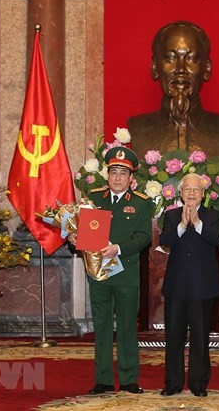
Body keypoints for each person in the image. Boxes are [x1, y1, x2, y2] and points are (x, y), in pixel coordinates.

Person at [78, 146, 153, 395]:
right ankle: (103, 380)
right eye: (113, 172)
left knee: (126, 325)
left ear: (132, 178)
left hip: (126, 273)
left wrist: (118, 248)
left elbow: (144, 237)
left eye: (123, 173)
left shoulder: (141, 204)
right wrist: (75, 235)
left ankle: (130, 378)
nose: (117, 177)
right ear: (107, 175)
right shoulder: (94, 199)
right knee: (100, 325)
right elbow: (84, 231)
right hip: (99, 273)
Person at [158, 173, 219, 398]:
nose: (192, 193)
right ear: (181, 192)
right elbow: (165, 241)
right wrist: (182, 225)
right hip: (176, 286)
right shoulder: (171, 215)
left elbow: (217, 240)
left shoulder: (213, 216)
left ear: (203, 194)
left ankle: (198, 383)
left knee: (200, 337)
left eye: (197, 190)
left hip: (203, 287)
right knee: (174, 337)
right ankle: (173, 382)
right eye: (188, 189)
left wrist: (196, 224)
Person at [128, 20, 219, 158]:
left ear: (207, 68)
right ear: (155, 67)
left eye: (191, 58)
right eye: (171, 58)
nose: (181, 70)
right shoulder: (138, 128)